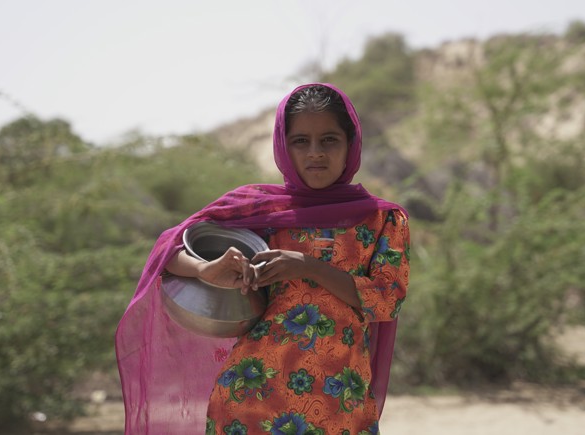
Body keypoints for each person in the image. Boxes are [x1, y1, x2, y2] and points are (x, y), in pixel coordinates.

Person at [116, 83, 410, 434]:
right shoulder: (259, 208)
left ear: (351, 145)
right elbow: (168, 251)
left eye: (329, 139)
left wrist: (306, 267)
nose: (315, 152)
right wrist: (207, 270)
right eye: (300, 141)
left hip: (339, 402)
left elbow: (386, 300)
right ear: (283, 146)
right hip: (252, 395)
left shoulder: (381, 220)